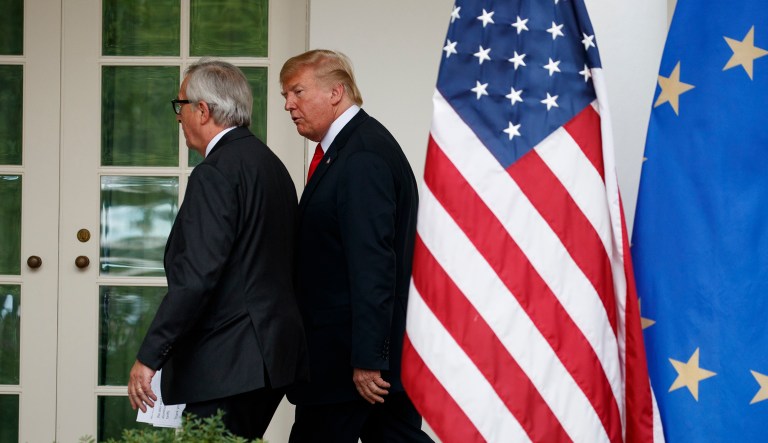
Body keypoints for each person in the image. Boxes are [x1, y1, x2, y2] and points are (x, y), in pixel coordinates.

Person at [127, 59, 308, 440]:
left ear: (203, 110)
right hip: (269, 359)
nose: (179, 118)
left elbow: (196, 278)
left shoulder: (216, 172)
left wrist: (149, 357)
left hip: (228, 363)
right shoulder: (271, 165)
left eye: (181, 106)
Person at [280, 49, 433, 442]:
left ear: (336, 92)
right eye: (286, 95)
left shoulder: (362, 155)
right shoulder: (349, 148)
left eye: (297, 92)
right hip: (353, 359)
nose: (288, 105)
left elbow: (373, 264)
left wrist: (369, 358)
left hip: (350, 364)